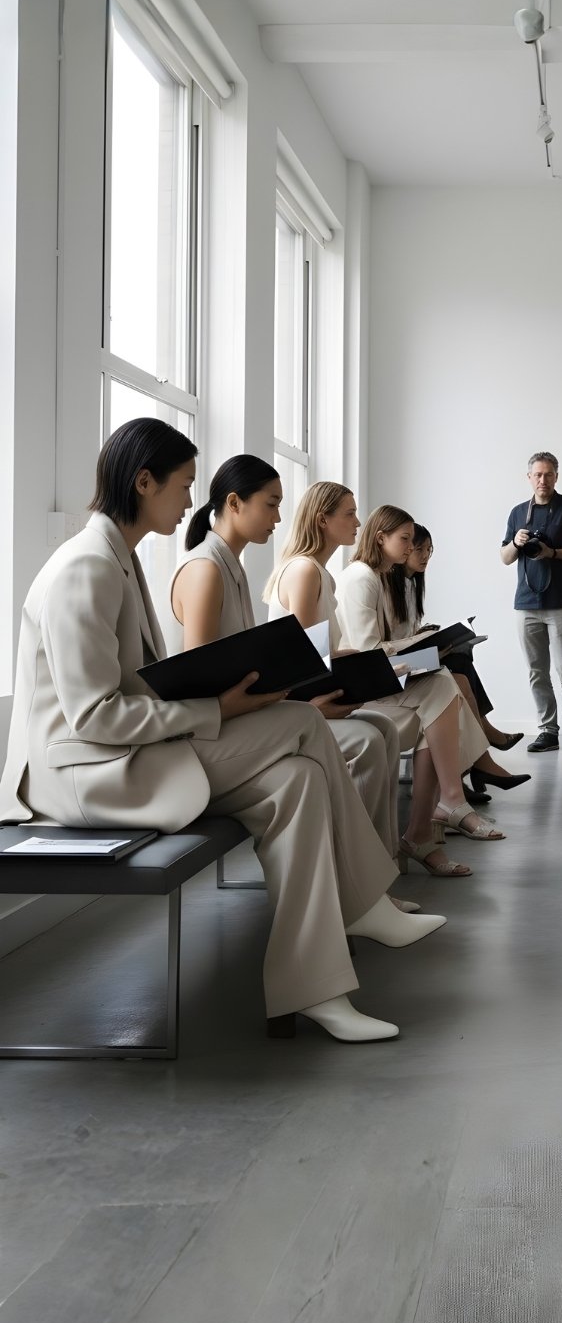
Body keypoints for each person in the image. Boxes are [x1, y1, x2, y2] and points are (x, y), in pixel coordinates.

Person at [0, 420, 445, 1044]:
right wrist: (218, 711)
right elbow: (95, 718)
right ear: (143, 481)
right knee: (297, 722)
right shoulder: (87, 568)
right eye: (183, 486)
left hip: (127, 755)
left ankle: (315, 988)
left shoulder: (117, 560)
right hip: (84, 775)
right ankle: (366, 902)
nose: (190, 500)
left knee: (296, 781)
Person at [174, 463, 411, 907]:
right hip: (214, 734)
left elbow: (286, 661)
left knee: (374, 732)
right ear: (233, 503)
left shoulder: (230, 568)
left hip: (249, 716)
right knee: (364, 740)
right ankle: (364, 893)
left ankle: (369, 887)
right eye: (271, 504)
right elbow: (210, 683)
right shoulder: (212, 568)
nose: (278, 518)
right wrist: (309, 707)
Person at [337, 505, 506, 853]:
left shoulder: (379, 578)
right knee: (443, 688)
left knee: (443, 685)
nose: (411, 547)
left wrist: (422, 646)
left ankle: (434, 820)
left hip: (379, 679)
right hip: (361, 689)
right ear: (380, 537)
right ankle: (438, 816)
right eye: (405, 539)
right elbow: (368, 653)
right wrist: (419, 647)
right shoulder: (360, 578)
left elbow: (381, 646)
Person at [387, 523, 529, 800]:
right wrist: (418, 639)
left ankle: (475, 764)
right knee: (459, 667)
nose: (426, 555)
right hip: (395, 668)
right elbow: (389, 639)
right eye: (419, 549)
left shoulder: (411, 585)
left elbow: (402, 632)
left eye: (430, 550)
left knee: (461, 657)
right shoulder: (385, 583)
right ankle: (482, 751)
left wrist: (422, 634)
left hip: (403, 658)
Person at [501, 453, 562, 755]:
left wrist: (552, 553)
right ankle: (547, 731)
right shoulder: (517, 513)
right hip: (526, 604)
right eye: (538, 475)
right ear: (529, 477)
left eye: (549, 474)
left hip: (561, 602)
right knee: (536, 670)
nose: (543, 480)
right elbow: (504, 557)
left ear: (556, 476)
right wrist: (516, 542)